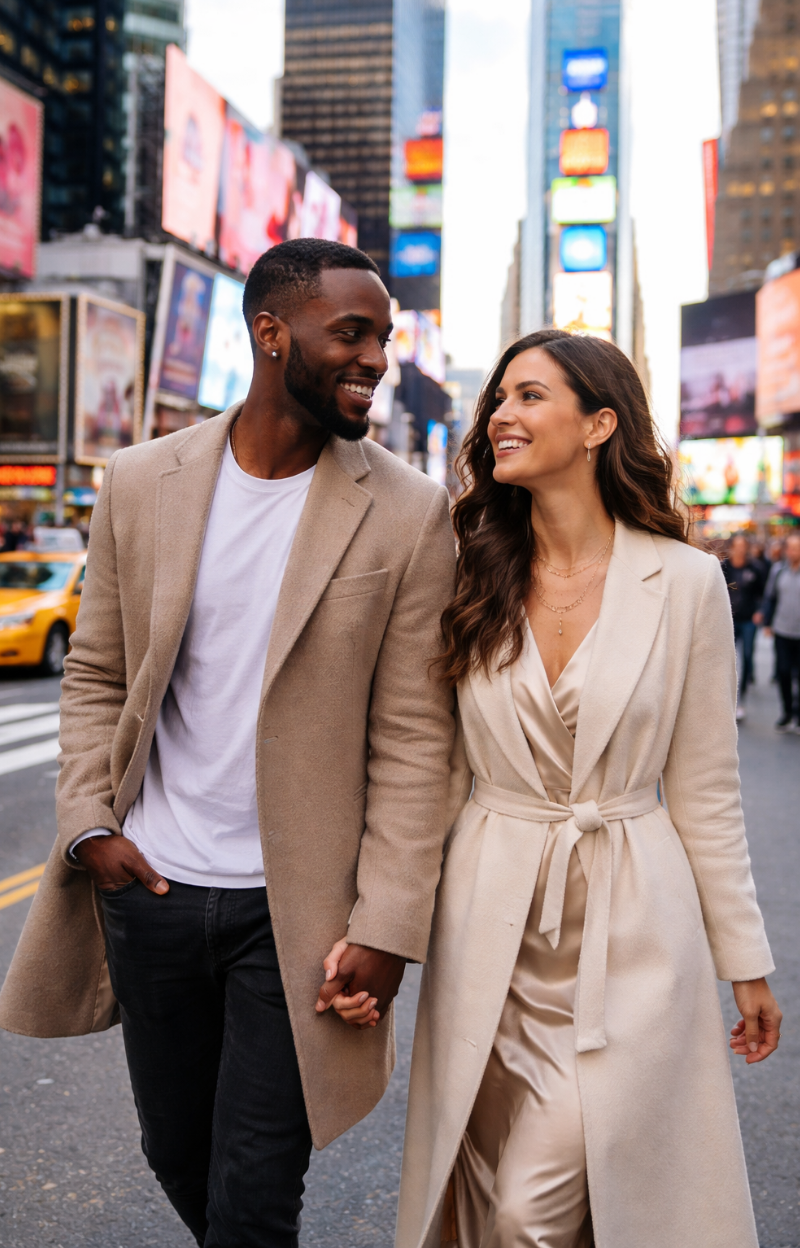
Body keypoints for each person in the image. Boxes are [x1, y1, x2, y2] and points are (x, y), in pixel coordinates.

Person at [0, 239, 457, 1247]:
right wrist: (89, 826)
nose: (373, 356)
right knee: (182, 1157)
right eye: (351, 331)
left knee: (253, 1200)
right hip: (151, 892)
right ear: (269, 333)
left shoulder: (411, 512)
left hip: (294, 920)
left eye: (381, 335)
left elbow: (419, 739)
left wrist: (386, 924)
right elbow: (99, 672)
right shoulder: (140, 480)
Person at [390, 330, 780, 1248]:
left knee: (532, 1212)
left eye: (529, 397)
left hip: (634, 927)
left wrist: (745, 959)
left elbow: (707, 790)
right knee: (485, 1198)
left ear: (600, 423)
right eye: (499, 399)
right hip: (490, 923)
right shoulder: (465, 566)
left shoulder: (686, 583)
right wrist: (382, 927)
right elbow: (429, 772)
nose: (501, 416)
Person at [721, 532, 766, 721]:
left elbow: (763, 593)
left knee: (747, 655)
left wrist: (760, 611)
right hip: (728, 619)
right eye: (737, 546)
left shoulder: (755, 568)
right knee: (728, 658)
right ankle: (728, 695)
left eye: (743, 546)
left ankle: (743, 693)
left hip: (748, 620)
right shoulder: (724, 568)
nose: (740, 549)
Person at [759, 530, 800, 732]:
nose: (791, 552)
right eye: (790, 548)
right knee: (783, 671)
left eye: (795, 548)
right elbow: (770, 597)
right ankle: (787, 712)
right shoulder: (778, 570)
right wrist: (767, 622)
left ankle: (798, 714)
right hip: (782, 629)